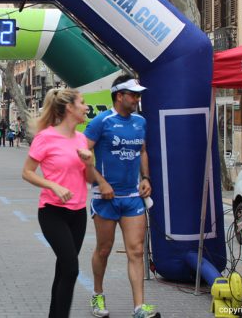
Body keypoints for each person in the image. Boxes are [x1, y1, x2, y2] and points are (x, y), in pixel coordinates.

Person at [84, 75, 157, 318]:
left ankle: (139, 307)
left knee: (136, 251)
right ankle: (97, 294)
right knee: (104, 250)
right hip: (104, 198)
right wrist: (101, 182)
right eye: (133, 94)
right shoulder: (100, 122)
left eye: (138, 95)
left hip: (133, 197)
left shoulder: (140, 121)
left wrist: (145, 178)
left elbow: (143, 151)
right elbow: (82, 155)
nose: (137, 98)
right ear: (119, 96)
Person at [22, 88, 98, 318]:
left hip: (78, 214)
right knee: (71, 268)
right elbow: (27, 172)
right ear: (70, 108)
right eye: (82, 103)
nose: (86, 107)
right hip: (52, 212)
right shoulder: (46, 137)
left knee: (63, 270)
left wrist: (90, 163)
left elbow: (90, 179)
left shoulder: (82, 138)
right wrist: (52, 185)